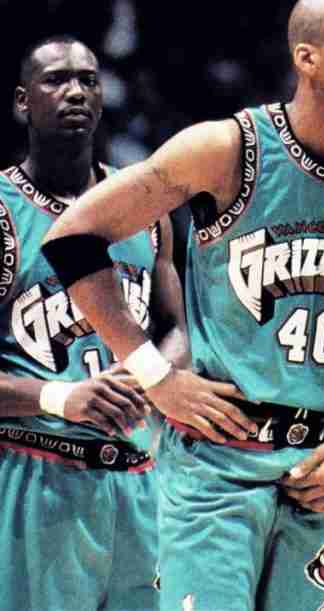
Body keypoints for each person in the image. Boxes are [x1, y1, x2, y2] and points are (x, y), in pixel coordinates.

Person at [40, 1, 324, 609]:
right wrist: (156, 377)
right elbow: (72, 239)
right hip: (217, 467)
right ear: (307, 58)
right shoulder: (226, 149)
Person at [0, 36, 187, 611]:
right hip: (34, 473)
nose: (76, 91)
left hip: (140, 480)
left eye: (88, 79)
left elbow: (177, 330)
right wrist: (62, 397)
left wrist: (150, 375)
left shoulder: (143, 208)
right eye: (56, 79)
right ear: (23, 102)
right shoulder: (3, 211)